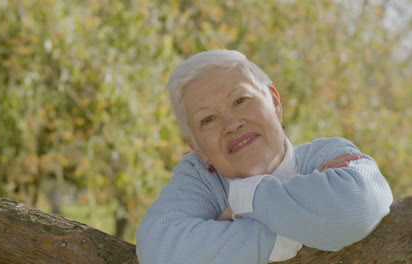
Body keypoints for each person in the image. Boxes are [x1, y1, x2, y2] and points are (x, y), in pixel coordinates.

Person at [136, 50, 393, 264]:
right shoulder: (199, 176)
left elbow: (358, 208)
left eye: (240, 100)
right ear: (199, 149)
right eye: (208, 119)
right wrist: (292, 231)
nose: (232, 124)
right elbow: (158, 249)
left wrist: (243, 200)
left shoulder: (328, 153)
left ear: (274, 102)